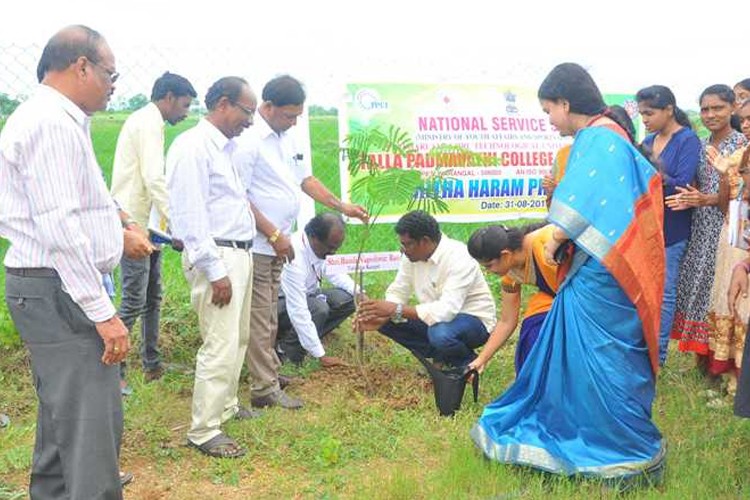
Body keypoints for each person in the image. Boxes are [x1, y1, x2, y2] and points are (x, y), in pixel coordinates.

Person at [471, 63, 666, 485]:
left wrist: (557, 237)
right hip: (611, 271)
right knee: (610, 359)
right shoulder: (612, 137)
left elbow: (589, 205)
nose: (549, 120)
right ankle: (625, 441)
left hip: (601, 274)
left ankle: (605, 445)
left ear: (565, 102)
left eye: (548, 111)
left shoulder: (595, 138)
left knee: (597, 358)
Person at [0, 25, 152, 499]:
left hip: (52, 284)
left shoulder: (58, 118)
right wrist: (103, 313)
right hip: (60, 287)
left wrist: (118, 225)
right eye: (110, 73)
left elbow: (80, 204)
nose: (114, 84)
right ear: (80, 66)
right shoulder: (49, 122)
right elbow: (59, 227)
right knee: (91, 424)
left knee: (62, 415)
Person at [234, 75, 367, 410]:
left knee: (267, 319)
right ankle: (265, 388)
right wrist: (274, 233)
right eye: (289, 115)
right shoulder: (249, 141)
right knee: (262, 317)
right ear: (267, 106)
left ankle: (271, 376)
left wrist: (341, 206)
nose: (293, 122)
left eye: (297, 116)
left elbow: (306, 180)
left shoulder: (287, 139)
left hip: (278, 242)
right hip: (259, 244)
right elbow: (240, 196)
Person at [167, 76, 258, 459]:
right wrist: (215, 270)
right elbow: (189, 217)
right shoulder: (193, 148)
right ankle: (204, 429)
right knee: (219, 343)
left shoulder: (227, 149)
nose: (250, 121)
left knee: (237, 338)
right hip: (217, 257)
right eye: (247, 111)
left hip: (240, 252)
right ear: (223, 104)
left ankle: (225, 405)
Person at [110, 71, 197, 389]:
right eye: (184, 105)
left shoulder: (150, 122)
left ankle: (152, 364)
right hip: (134, 223)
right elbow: (153, 178)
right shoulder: (148, 123)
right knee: (134, 300)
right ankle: (114, 374)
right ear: (169, 98)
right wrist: (178, 221)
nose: (186, 113)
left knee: (152, 298)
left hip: (149, 223)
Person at [667, 85, 747, 380]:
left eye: (718, 108)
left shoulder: (741, 145)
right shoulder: (698, 145)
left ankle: (724, 369)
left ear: (732, 110)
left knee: (720, 294)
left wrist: (707, 198)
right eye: (705, 109)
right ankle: (703, 364)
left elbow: (741, 197)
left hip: (728, 231)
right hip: (698, 228)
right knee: (697, 291)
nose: (711, 114)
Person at [357, 210, 496, 369]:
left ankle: (468, 363)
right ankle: (441, 355)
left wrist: (396, 309)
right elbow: (399, 290)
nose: (403, 249)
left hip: (473, 322)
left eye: (407, 244)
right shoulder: (411, 257)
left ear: (424, 241)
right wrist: (383, 313)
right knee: (385, 319)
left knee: (440, 334)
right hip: (437, 320)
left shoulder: (460, 257)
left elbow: (446, 311)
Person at [636, 85, 701, 366]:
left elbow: (683, 182)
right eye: (641, 114)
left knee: (665, 292)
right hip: (647, 228)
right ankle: (642, 348)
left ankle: (657, 356)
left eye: (649, 113)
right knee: (643, 291)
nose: (645, 119)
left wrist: (652, 176)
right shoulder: (649, 140)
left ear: (669, 110)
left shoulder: (687, 140)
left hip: (673, 228)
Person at [466, 223, 558, 375]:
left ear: (506, 255)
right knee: (532, 335)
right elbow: (507, 321)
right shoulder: (511, 275)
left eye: (489, 266)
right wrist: (481, 360)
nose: (488, 272)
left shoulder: (545, 246)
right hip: (554, 295)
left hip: (587, 296)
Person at [276, 212, 355, 366]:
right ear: (314, 238)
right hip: (278, 304)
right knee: (319, 308)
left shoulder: (320, 248)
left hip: (308, 296)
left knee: (347, 300)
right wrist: (321, 355)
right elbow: (297, 309)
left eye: (336, 249)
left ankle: (307, 339)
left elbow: (335, 273)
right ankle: (287, 352)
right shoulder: (293, 256)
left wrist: (360, 293)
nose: (333, 253)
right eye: (331, 248)